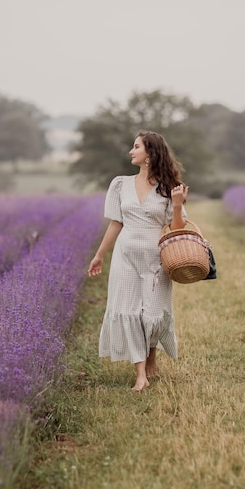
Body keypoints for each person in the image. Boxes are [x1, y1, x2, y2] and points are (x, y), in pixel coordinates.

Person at [88, 130, 188, 391]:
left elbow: (176, 228)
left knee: (153, 314)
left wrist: (177, 205)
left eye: (136, 147)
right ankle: (140, 373)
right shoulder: (120, 184)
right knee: (130, 311)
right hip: (126, 256)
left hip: (157, 259)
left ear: (150, 154)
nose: (131, 152)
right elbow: (115, 223)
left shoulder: (169, 188)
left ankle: (151, 349)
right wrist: (99, 255)